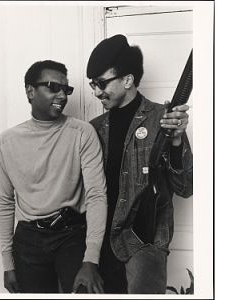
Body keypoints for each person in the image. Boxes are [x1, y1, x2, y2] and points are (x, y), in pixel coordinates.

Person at [87, 34, 193, 294]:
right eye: (93, 84)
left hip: (144, 244)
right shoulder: (94, 129)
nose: (96, 92)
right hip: (100, 247)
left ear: (127, 79)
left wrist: (177, 141)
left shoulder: (163, 119)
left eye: (101, 83)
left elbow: (185, 187)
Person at [0, 60, 107, 293]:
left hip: (72, 235)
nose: (62, 96)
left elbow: (96, 195)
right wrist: (8, 263)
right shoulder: (7, 141)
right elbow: (4, 202)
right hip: (28, 240)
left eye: (65, 89)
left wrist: (91, 259)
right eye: (52, 87)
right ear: (30, 91)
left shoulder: (82, 132)